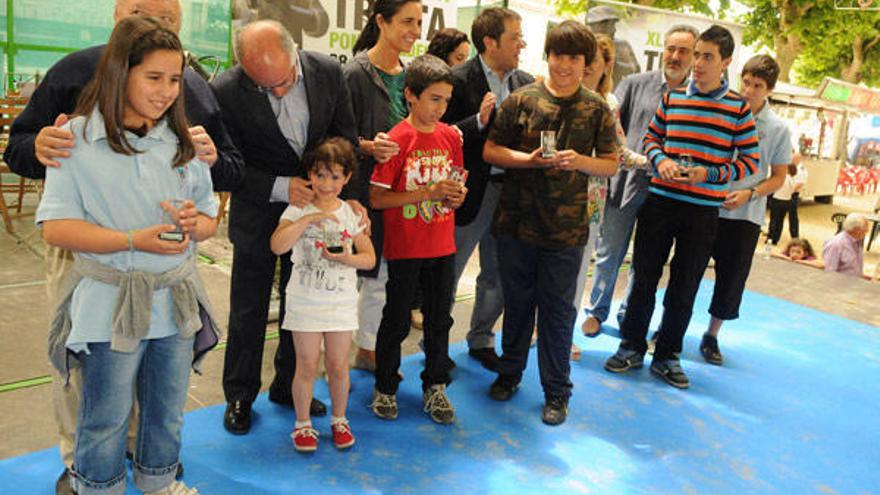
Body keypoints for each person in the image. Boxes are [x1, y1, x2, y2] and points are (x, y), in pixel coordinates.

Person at [2, 2, 244, 492]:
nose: (166, 91)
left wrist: (194, 222)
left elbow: (207, 213)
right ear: (121, 68)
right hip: (107, 299)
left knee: (166, 407)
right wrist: (134, 240)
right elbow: (55, 227)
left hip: (173, 301)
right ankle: (94, 481)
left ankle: (158, 480)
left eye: (174, 80)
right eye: (154, 78)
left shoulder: (182, 139)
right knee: (103, 409)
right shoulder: (75, 136)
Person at [212, 20, 359, 435]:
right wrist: (279, 187)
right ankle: (240, 395)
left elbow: (346, 140)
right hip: (260, 213)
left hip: (322, 216)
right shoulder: (224, 90)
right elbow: (224, 165)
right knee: (248, 309)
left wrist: (349, 197)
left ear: (295, 53)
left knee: (306, 309)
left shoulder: (328, 73)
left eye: (284, 82)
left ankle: (289, 385)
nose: (277, 92)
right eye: (264, 88)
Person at [604, 25, 760, 389]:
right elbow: (652, 139)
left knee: (685, 284)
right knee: (643, 276)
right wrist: (661, 162)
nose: (699, 63)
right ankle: (631, 346)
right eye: (698, 55)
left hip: (703, 211)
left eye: (708, 56)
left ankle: (667, 355)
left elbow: (750, 163)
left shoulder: (738, 108)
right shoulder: (673, 98)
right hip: (660, 202)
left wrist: (712, 173)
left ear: (726, 61)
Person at [484, 20, 618, 425]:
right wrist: (526, 160)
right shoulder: (520, 100)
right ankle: (509, 373)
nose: (564, 65)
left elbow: (611, 164)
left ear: (587, 62)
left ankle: (557, 393)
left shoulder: (597, 108)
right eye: (558, 55)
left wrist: (579, 161)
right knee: (518, 304)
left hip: (567, 231)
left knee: (558, 314)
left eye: (574, 58)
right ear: (548, 56)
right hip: (517, 224)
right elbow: (490, 150)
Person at [580, 24, 698, 338]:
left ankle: (628, 314)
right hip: (625, 182)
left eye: (683, 51)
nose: (675, 56)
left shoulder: (696, 96)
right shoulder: (634, 84)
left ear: (693, 55)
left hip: (668, 190)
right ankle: (596, 312)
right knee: (610, 251)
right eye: (671, 48)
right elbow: (612, 132)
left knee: (646, 260)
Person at [367, 54, 466, 424]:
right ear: (410, 95)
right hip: (407, 247)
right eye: (434, 99)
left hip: (443, 244)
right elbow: (377, 198)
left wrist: (456, 195)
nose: (440, 108)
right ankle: (386, 386)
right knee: (396, 320)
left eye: (446, 100)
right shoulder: (397, 140)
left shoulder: (450, 136)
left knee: (441, 319)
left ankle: (435, 386)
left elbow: (456, 184)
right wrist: (426, 193)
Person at [269, 138, 375, 452]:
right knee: (306, 364)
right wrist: (308, 219)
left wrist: (347, 259)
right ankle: (302, 425)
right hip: (304, 301)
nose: (326, 184)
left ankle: (339, 419)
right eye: (320, 175)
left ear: (346, 178)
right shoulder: (296, 208)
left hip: (340, 301)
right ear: (310, 175)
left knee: (339, 365)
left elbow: (369, 257)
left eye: (334, 176)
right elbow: (277, 245)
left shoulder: (351, 213)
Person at [441, 7, 532, 372]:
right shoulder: (456, 79)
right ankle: (436, 343)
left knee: (497, 273)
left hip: (509, 194)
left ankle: (481, 339)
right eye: (515, 37)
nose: (522, 44)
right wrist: (476, 122)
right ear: (490, 42)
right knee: (448, 272)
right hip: (466, 193)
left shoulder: (525, 83)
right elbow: (440, 134)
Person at [343, 0, 422, 372]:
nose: (415, 31)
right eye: (407, 21)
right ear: (381, 21)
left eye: (419, 22)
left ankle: (369, 347)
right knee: (357, 275)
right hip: (360, 192)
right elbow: (335, 136)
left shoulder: (410, 75)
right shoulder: (356, 73)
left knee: (384, 274)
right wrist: (367, 147)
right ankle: (349, 351)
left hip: (397, 195)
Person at [698, 54, 790, 366]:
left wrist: (749, 194)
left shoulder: (778, 129)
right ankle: (670, 327)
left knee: (731, 278)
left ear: (769, 89)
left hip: (745, 216)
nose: (749, 90)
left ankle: (712, 335)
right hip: (706, 206)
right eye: (746, 82)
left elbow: (778, 178)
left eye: (758, 85)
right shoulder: (723, 111)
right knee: (687, 270)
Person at [569, 34, 649, 358]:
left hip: (590, 201)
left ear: (606, 66)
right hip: (547, 199)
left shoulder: (608, 105)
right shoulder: (552, 93)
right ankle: (535, 326)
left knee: (576, 272)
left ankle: (563, 332)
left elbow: (619, 151)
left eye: (593, 62)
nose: (585, 67)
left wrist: (651, 162)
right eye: (580, 59)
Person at [585, 6, 640, 87]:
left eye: (613, 25)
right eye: (609, 25)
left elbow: (635, 71)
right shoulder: (582, 45)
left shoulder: (622, 45)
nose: (614, 30)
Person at [767, 153, 807, 245]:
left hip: (785, 197)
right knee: (779, 220)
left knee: (787, 218)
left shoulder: (801, 170)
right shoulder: (789, 177)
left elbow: (799, 184)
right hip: (786, 198)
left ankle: (793, 236)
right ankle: (774, 237)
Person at [822, 213, 870, 279]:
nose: (867, 231)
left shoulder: (857, 242)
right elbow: (829, 273)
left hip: (855, 285)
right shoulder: (836, 244)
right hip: (841, 286)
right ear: (856, 229)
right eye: (865, 228)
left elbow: (854, 270)